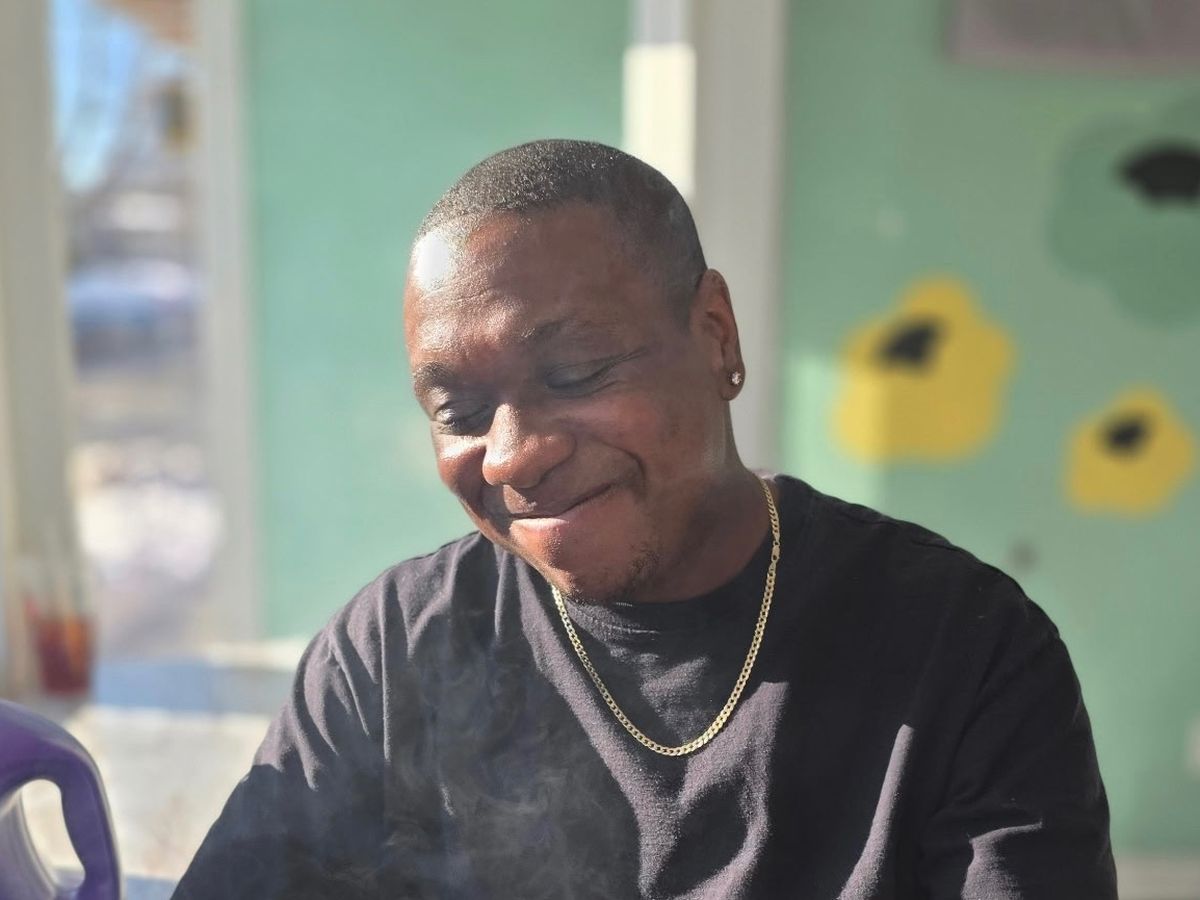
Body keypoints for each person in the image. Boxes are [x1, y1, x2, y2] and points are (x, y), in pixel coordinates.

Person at [173, 140, 1116, 899]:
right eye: (458, 411)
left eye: (575, 373)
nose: (511, 456)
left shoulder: (962, 652)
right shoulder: (393, 655)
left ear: (715, 336)